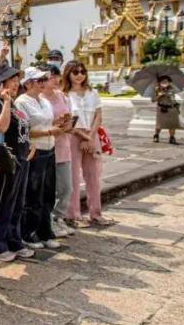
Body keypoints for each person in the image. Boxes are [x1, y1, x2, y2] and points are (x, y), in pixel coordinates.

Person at [0, 62, 34, 262]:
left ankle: (14, 239)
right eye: (11, 81)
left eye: (17, 81)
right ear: (0, 84)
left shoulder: (14, 103)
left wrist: (30, 144)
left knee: (18, 203)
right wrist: (5, 101)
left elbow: (22, 129)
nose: (15, 84)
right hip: (8, 160)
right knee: (4, 203)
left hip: (23, 158)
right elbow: (2, 127)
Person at [14, 67, 63, 250]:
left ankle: (45, 231)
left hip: (49, 148)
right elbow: (24, 131)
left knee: (48, 193)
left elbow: (47, 122)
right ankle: (28, 232)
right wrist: (49, 131)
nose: (43, 83)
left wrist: (58, 125)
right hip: (35, 150)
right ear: (27, 84)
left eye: (44, 80)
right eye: (39, 81)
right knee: (33, 194)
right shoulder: (22, 102)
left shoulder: (43, 101)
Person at [63, 61, 113, 226]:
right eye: (75, 72)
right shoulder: (64, 95)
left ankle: (96, 213)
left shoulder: (92, 93)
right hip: (73, 135)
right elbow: (67, 121)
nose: (79, 75)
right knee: (73, 177)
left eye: (82, 71)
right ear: (68, 74)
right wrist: (83, 136)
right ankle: (73, 215)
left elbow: (98, 116)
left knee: (93, 176)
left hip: (91, 136)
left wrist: (90, 137)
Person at [40, 64, 76, 238]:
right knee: (48, 189)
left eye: (56, 76)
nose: (55, 79)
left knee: (66, 187)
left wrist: (68, 124)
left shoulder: (62, 96)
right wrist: (55, 125)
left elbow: (70, 120)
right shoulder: (39, 99)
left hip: (63, 145)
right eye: (51, 77)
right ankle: (48, 221)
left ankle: (58, 217)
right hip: (47, 146)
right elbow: (38, 126)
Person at [153, 75, 181, 144]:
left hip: (172, 108)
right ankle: (156, 135)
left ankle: (172, 138)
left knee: (172, 124)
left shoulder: (172, 88)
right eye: (163, 81)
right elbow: (153, 100)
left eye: (167, 81)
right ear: (159, 82)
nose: (165, 83)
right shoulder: (157, 89)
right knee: (159, 124)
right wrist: (160, 95)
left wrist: (177, 107)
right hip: (162, 109)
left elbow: (173, 98)